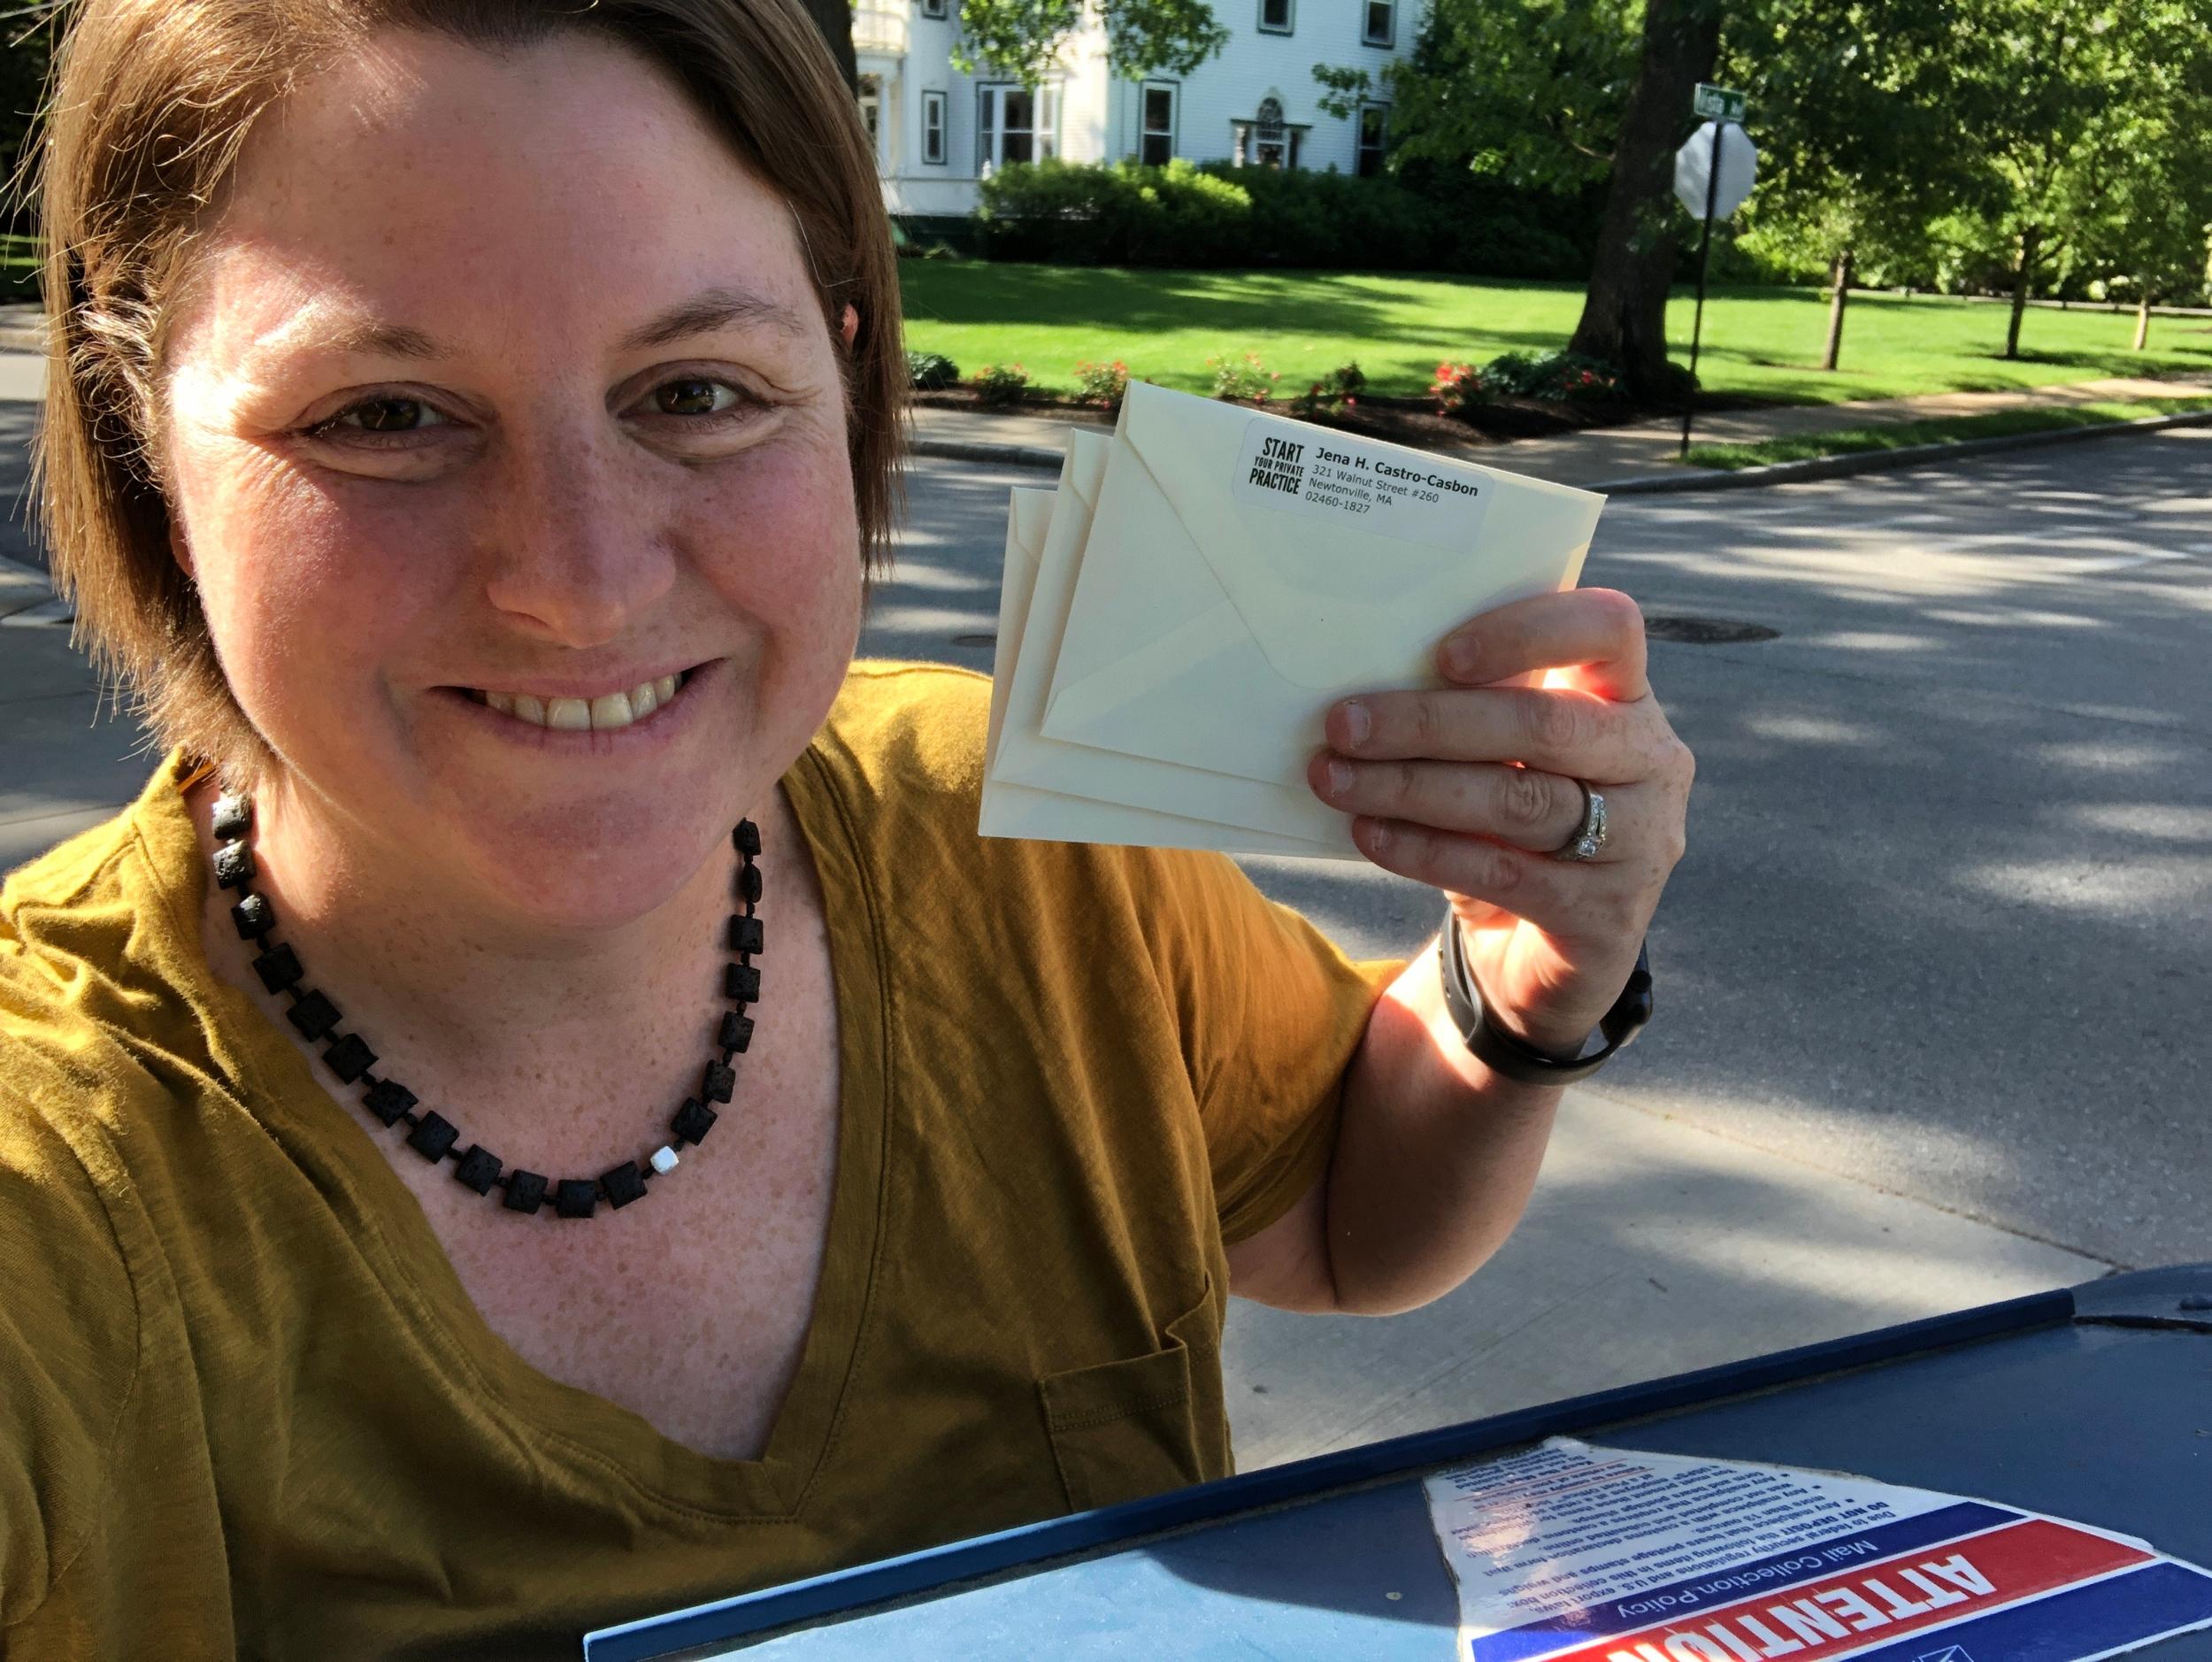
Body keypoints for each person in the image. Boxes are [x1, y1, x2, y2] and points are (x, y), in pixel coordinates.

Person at [0, 0, 1693, 1653]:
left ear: (846, 372)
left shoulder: (1006, 835)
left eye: (695, 391)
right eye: (381, 415)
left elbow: (1333, 1215)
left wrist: (1514, 994)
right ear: (145, 451)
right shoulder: (56, 1174)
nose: (582, 584)